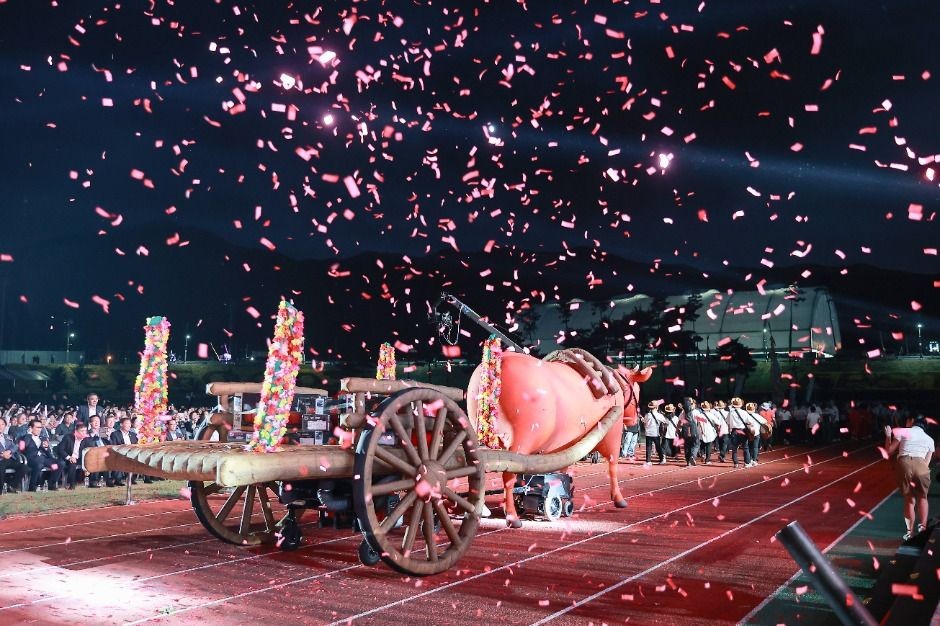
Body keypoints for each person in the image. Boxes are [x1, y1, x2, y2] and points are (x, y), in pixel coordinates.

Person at [884, 415, 934, 540]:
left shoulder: (903, 431)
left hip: (904, 463)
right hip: (921, 465)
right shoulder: (930, 439)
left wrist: (888, 435)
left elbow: (889, 451)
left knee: (909, 498)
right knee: (922, 497)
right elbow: (926, 463)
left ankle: (910, 532)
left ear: (912, 421)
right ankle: (923, 528)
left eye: (908, 420)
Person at [19, 419, 62, 491]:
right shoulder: (23, 438)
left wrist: (46, 448)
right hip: (31, 459)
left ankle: (51, 484)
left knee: (59, 464)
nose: (39, 429)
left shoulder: (43, 438)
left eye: (40, 427)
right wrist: (29, 434)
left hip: (44, 459)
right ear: (30, 428)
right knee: (39, 465)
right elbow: (22, 449)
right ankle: (32, 486)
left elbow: (48, 452)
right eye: (37, 427)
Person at [108, 416, 138, 487]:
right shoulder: (115, 434)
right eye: (127, 423)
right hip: (120, 453)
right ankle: (118, 479)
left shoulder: (133, 435)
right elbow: (114, 446)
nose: (129, 425)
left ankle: (132, 478)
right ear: (121, 424)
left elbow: (136, 446)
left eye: (130, 424)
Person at [57, 422, 88, 489]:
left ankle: (93, 481)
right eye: (82, 431)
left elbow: (88, 450)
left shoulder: (86, 439)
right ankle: (71, 484)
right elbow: (60, 449)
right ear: (76, 431)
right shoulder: (68, 437)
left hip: (80, 458)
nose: (84, 433)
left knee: (91, 461)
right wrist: (69, 457)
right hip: (69, 457)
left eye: (85, 431)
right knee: (72, 464)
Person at [0, 416, 26, 492]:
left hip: (10, 458)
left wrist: (9, 451)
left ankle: (11, 486)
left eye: (2, 424)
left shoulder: (8, 437)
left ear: (5, 426)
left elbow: (15, 446)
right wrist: (2, 454)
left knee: (24, 468)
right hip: (0, 460)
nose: (0, 426)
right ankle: (1, 489)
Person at [726, 398, 753, 469]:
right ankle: (747, 463)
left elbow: (727, 422)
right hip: (742, 430)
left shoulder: (731, 413)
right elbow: (750, 421)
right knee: (745, 447)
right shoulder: (744, 412)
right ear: (740, 405)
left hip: (734, 431)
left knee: (734, 448)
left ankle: (736, 463)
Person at [82, 415, 107, 487]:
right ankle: (94, 481)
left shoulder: (102, 431)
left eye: (98, 421)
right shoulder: (86, 433)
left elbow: (108, 443)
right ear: (90, 423)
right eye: (94, 421)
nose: (97, 423)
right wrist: (93, 436)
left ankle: (110, 480)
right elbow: (86, 445)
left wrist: (108, 437)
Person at [678, 398, 702, 467]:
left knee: (687, 445)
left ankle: (688, 461)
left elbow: (680, 422)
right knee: (696, 444)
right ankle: (693, 456)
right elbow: (700, 421)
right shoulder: (696, 412)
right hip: (694, 430)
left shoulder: (683, 412)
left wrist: (678, 429)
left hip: (685, 430)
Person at [641, 401, 666, 466]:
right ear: (656, 407)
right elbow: (665, 421)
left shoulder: (647, 415)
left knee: (648, 447)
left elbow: (644, 422)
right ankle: (662, 459)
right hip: (656, 433)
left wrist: (643, 420)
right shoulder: (659, 415)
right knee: (658, 447)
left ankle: (648, 461)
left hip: (648, 433)